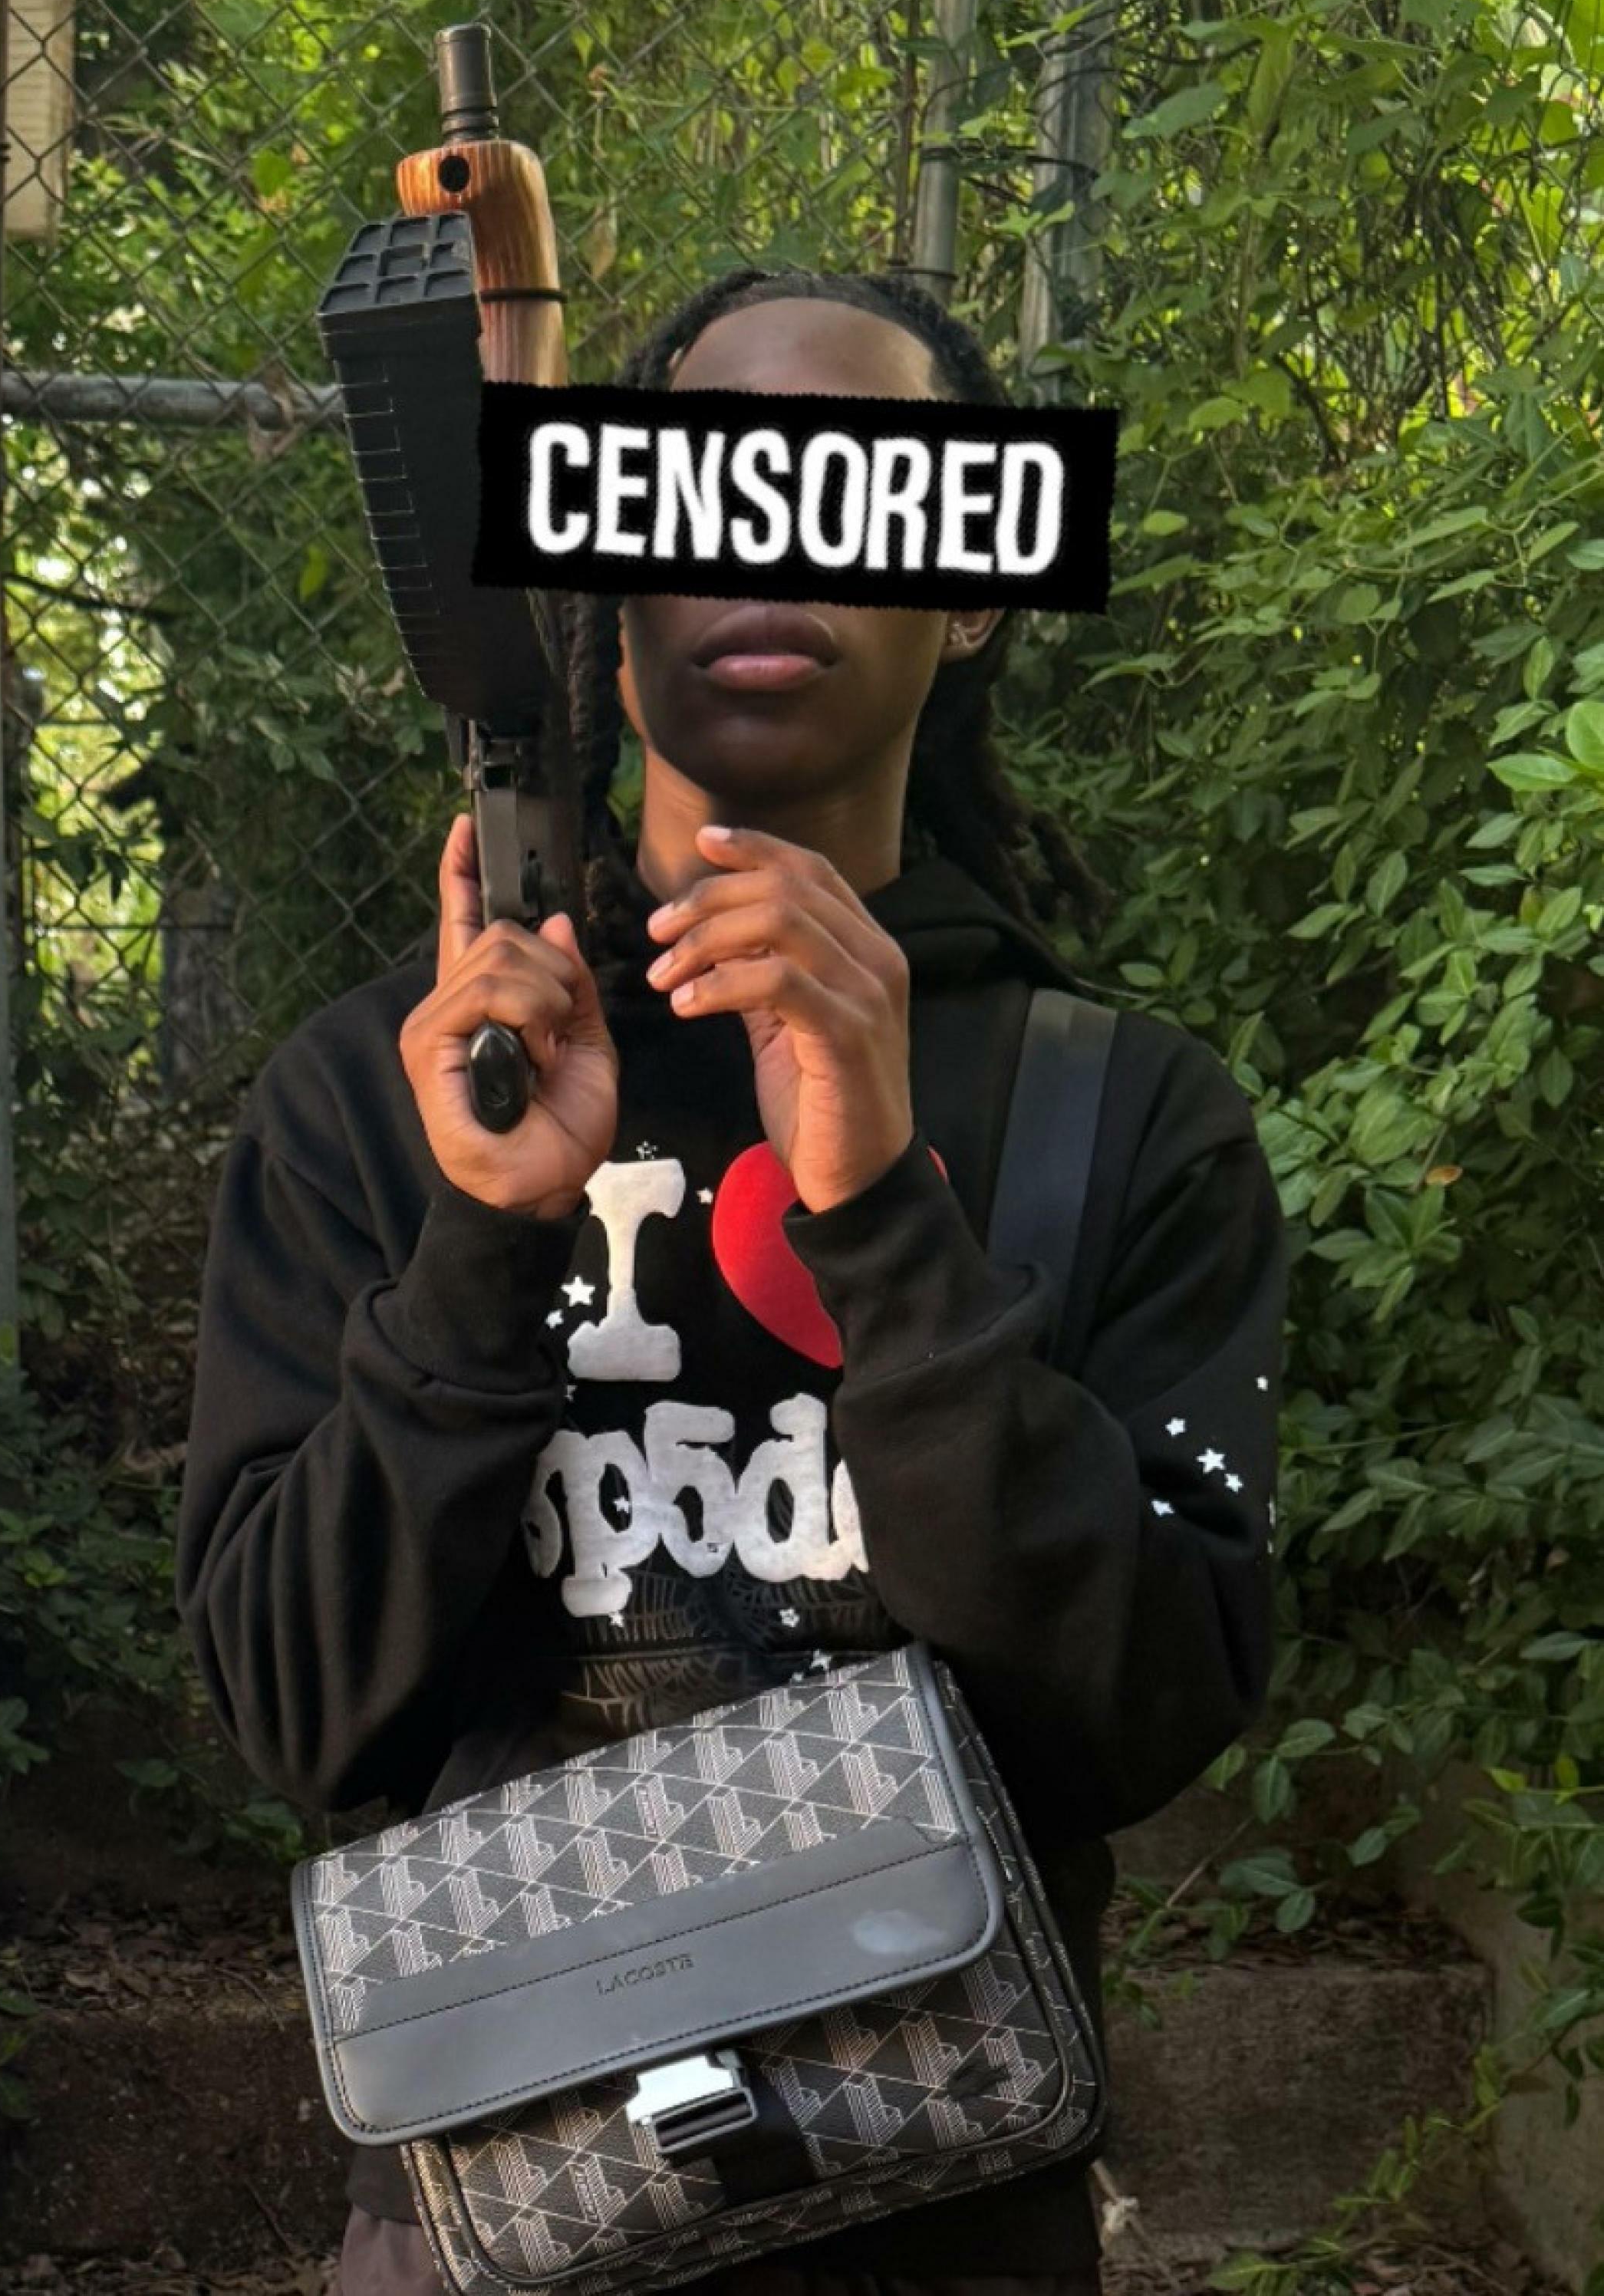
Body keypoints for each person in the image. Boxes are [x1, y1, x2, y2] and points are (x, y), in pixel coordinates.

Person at [173, 265, 1288, 2296]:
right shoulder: (380, 1099)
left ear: (973, 582)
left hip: (947, 2215)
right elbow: (300, 1707)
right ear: (605, 577)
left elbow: (1141, 1713)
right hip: (487, 2218)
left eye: (857, 485)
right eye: (699, 483)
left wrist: (882, 1224)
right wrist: (479, 1245)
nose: (767, 544)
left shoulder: (1125, 1116)